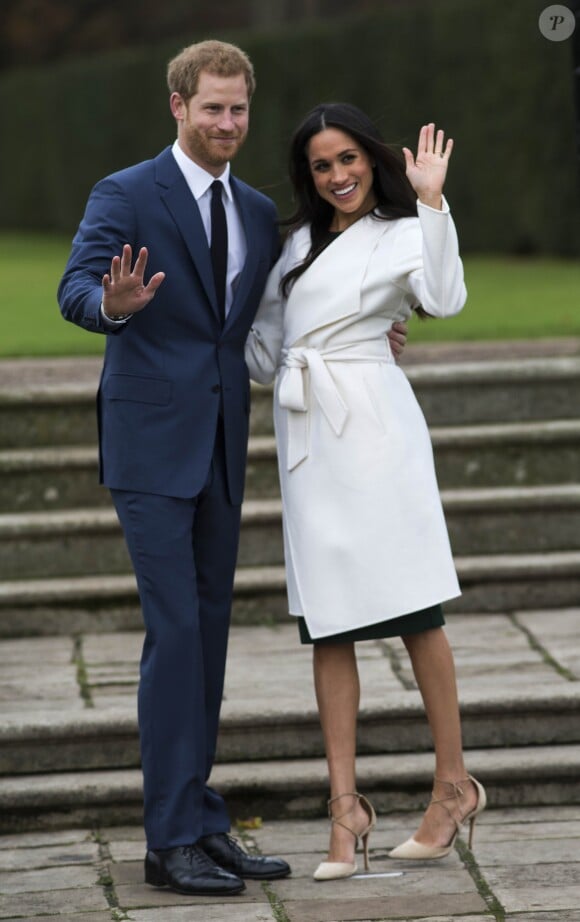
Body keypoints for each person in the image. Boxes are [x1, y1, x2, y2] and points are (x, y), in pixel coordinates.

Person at [56, 39, 294, 898]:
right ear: (178, 107)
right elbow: (75, 287)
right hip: (151, 450)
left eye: (238, 109)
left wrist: (370, 328)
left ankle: (201, 818)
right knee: (177, 638)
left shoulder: (261, 210)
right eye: (212, 108)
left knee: (210, 641)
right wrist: (110, 308)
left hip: (224, 446)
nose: (227, 123)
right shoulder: (126, 192)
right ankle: (167, 844)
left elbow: (275, 314)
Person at [245, 104, 486, 882]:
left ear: (369, 159)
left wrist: (432, 201)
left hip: (377, 429)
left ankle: (453, 787)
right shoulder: (291, 248)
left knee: (417, 609)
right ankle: (345, 812)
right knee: (329, 623)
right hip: (310, 435)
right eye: (321, 165)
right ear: (307, 178)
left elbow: (445, 298)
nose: (338, 175)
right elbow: (262, 353)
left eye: (347, 158)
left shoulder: (405, 227)